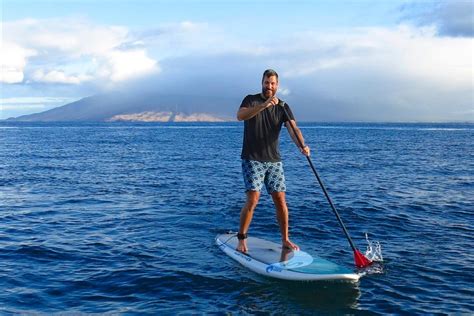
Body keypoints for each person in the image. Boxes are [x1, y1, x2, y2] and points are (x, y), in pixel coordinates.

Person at [236, 69, 310, 253]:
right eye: (266, 82)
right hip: (252, 158)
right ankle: (241, 239)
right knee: (253, 198)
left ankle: (285, 239)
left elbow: (293, 129)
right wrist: (264, 105)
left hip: (274, 160)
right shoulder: (250, 100)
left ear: (277, 85)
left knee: (280, 200)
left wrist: (302, 145)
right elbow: (240, 116)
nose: (269, 86)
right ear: (262, 82)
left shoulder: (283, 106)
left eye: (273, 83)